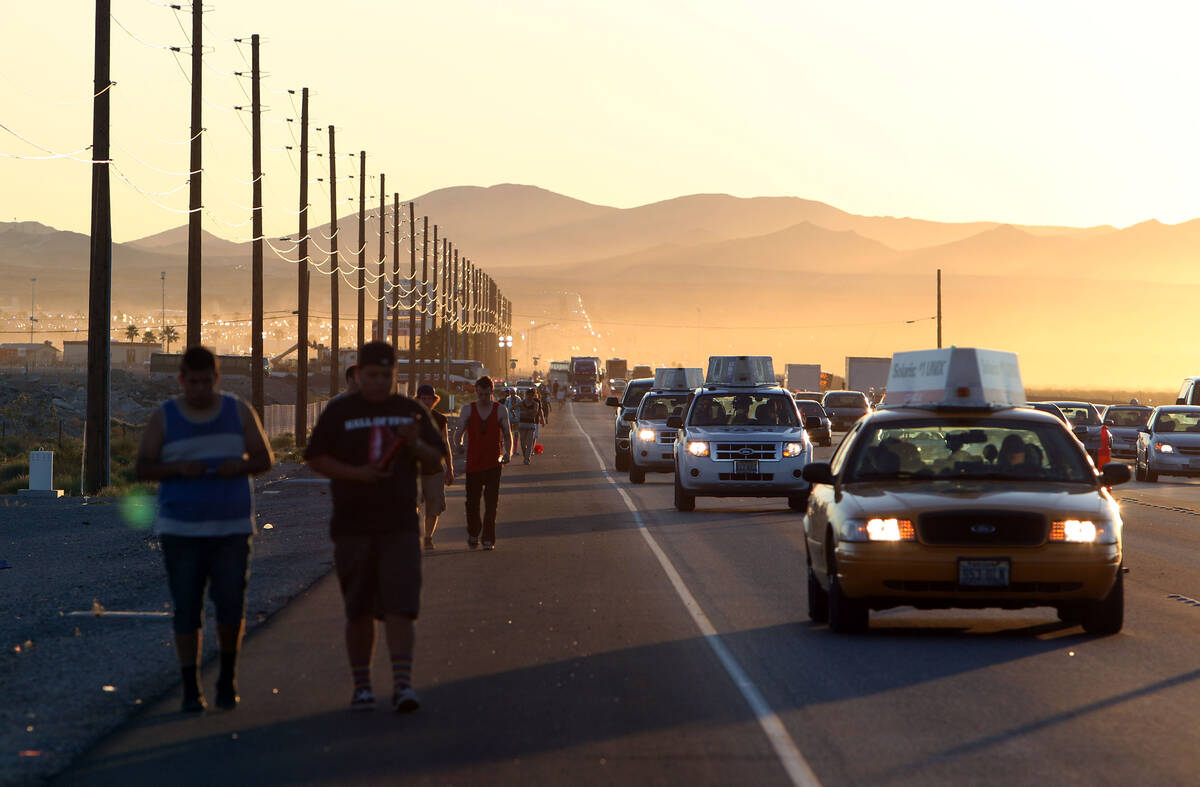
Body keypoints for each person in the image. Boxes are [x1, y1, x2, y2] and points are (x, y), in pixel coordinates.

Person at [305, 341, 446, 713]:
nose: (380, 382)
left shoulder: (410, 411)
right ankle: (362, 686)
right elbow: (316, 457)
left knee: (401, 607)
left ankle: (402, 685)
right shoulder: (340, 412)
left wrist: (415, 444)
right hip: (352, 526)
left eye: (387, 375)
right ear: (358, 374)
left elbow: (437, 459)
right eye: (372, 375)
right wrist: (356, 474)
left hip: (399, 524)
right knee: (359, 609)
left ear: (395, 375)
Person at [136, 347, 274, 713]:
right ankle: (190, 686)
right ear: (181, 381)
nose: (199, 388)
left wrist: (239, 466)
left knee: (230, 604)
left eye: (206, 381)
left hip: (231, 528)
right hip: (180, 529)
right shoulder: (164, 417)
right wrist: (180, 470)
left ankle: (227, 677)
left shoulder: (238, 411)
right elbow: (143, 467)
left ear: (217, 379)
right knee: (187, 608)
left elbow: (265, 458)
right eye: (192, 382)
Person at [452, 376, 513, 550]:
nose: (484, 398)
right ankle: (473, 532)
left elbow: (507, 434)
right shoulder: (468, 410)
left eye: (487, 394)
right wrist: (459, 443)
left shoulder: (500, 410)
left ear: (492, 392)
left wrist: (508, 453)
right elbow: (459, 430)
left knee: (491, 503)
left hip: (493, 463)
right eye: (480, 394)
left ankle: (488, 538)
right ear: (476, 392)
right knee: (472, 502)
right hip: (474, 464)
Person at [416, 384, 455, 549]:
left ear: (434, 400)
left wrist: (450, 468)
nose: (426, 401)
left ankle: (428, 537)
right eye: (423, 398)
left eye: (429, 399)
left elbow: (445, 443)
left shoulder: (440, 419)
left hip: (435, 470)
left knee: (434, 507)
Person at [517, 387, 546, 464]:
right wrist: (516, 416)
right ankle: (526, 454)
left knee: (530, 441)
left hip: (533, 423)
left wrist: (542, 419)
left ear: (534, 395)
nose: (530, 396)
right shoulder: (522, 402)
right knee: (523, 442)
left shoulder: (536, 402)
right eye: (528, 395)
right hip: (522, 424)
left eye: (531, 395)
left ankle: (527, 458)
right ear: (526, 395)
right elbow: (513, 408)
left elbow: (538, 412)